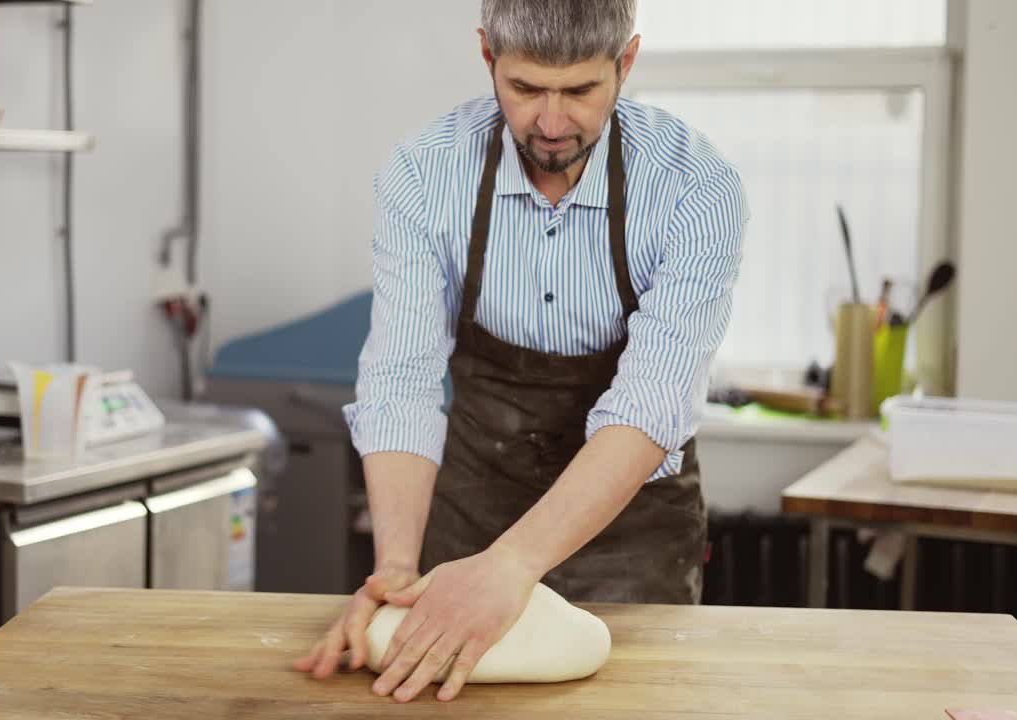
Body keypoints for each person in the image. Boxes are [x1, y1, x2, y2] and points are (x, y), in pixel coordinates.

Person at [294, 0, 747, 703]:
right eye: (526, 88)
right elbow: (403, 380)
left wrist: (512, 567)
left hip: (633, 528)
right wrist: (397, 569)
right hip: (473, 508)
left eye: (580, 91)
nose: (552, 122)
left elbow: (651, 400)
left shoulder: (696, 187)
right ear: (487, 58)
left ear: (624, 63)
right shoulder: (425, 173)